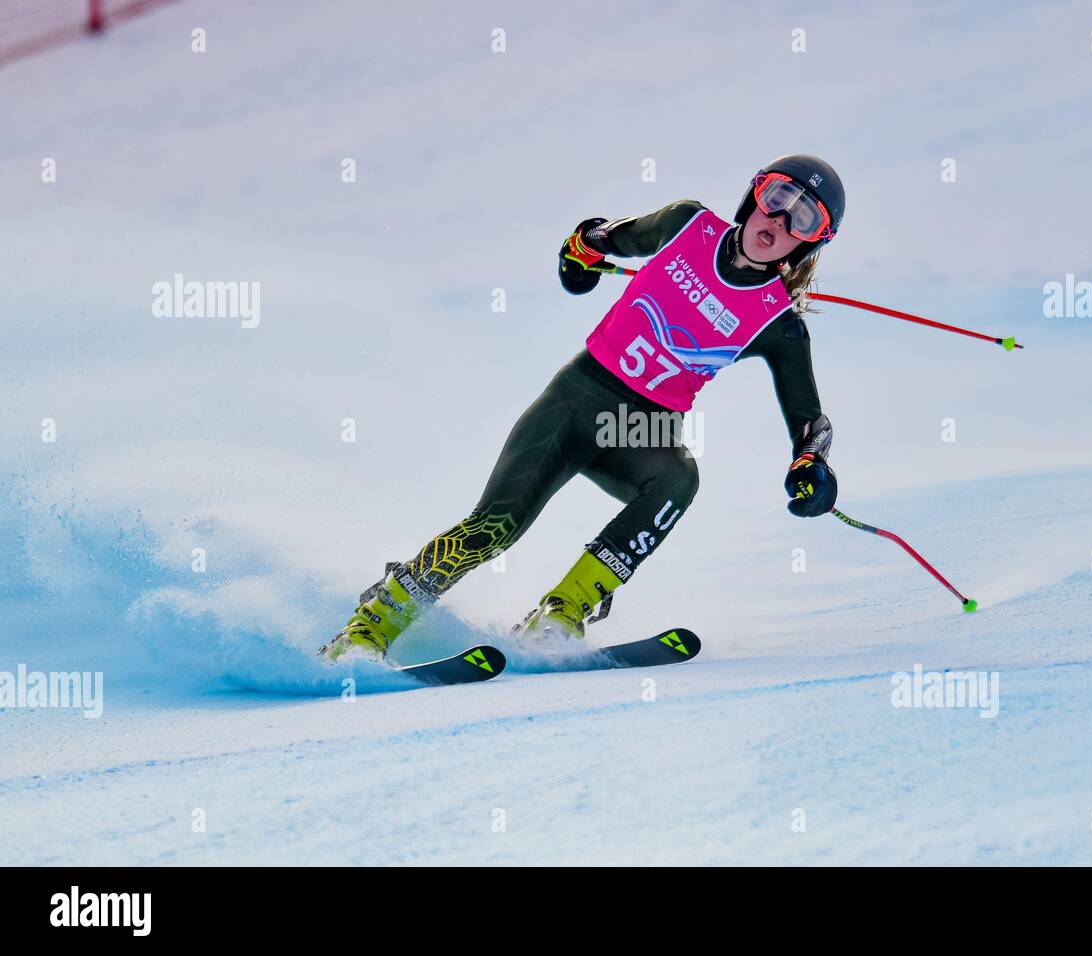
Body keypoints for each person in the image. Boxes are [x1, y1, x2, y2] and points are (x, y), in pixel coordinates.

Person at [319, 154, 846, 662]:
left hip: (640, 430)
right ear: (751, 195)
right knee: (493, 529)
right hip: (577, 400)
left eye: (801, 216)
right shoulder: (687, 225)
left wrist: (812, 466)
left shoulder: (777, 322)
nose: (778, 218)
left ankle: (561, 612)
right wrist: (580, 252)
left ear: (810, 241)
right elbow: (602, 236)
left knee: (678, 478)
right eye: (776, 196)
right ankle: (369, 627)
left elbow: (809, 422)